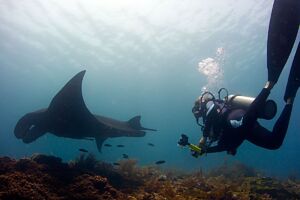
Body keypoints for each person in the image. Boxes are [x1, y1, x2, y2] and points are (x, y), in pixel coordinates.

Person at [191, 0, 300, 156]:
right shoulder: (211, 125)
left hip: (235, 117)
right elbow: (226, 144)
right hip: (240, 127)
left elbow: (212, 112)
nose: (196, 114)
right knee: (274, 142)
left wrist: (204, 138)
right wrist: (205, 150)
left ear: (199, 105)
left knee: (244, 124)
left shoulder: (208, 104)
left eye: (195, 110)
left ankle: (269, 84)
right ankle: (290, 100)